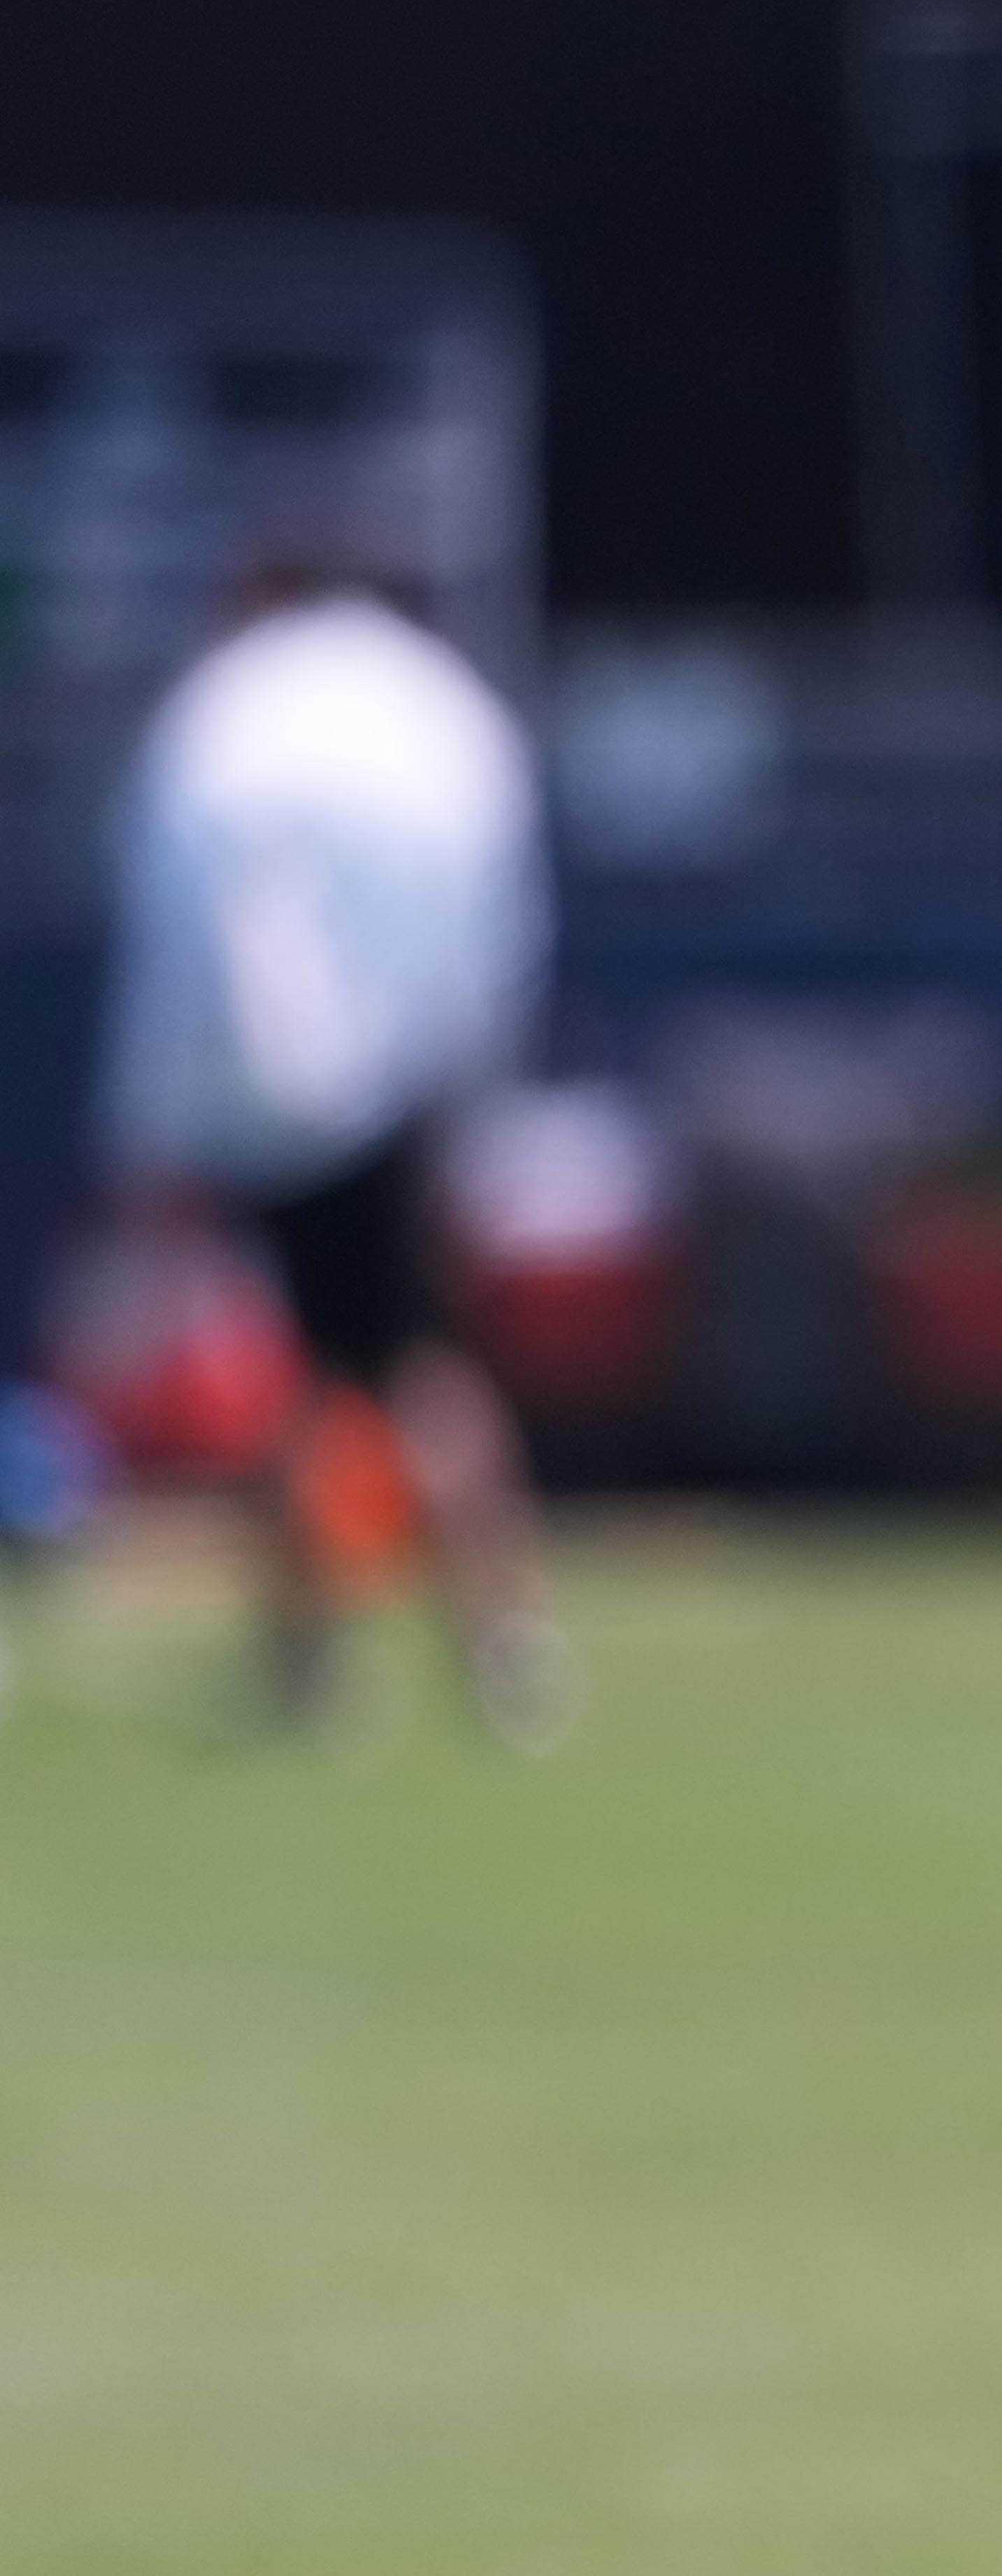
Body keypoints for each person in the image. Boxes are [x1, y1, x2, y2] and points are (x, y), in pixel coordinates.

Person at [95, 557, 564, 1741]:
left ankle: (337, 1656)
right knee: (389, 1361)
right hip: (406, 1079)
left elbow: (176, 925)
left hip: (278, 1093)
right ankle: (457, 1648)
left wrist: (151, 1127)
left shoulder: (228, 711)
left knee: (348, 1372)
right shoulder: (438, 705)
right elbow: (502, 926)